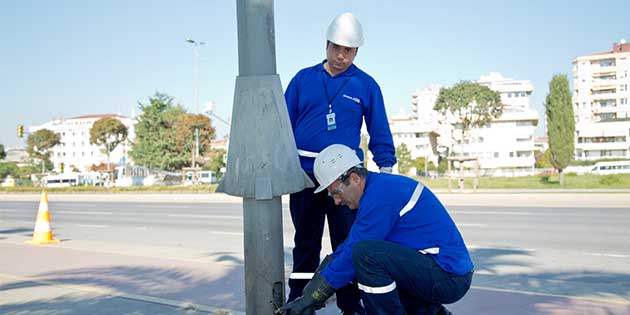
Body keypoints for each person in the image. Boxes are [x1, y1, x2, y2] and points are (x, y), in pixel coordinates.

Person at [284, 12, 397, 315]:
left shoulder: (365, 85)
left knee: (347, 245)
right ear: (327, 44)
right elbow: (282, 126)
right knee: (305, 245)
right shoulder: (302, 80)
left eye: (348, 50)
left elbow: (380, 129)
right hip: (305, 178)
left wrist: (385, 169)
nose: (341, 56)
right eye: (336, 48)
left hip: (346, 183)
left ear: (356, 51)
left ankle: (351, 306)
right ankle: (299, 301)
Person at [280, 144, 474, 315]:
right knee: (370, 258)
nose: (337, 202)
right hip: (440, 271)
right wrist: (306, 297)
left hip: (448, 277)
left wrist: (312, 299)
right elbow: (346, 248)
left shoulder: (380, 196)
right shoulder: (378, 189)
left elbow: (353, 254)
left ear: (354, 178)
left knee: (366, 256)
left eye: (336, 193)